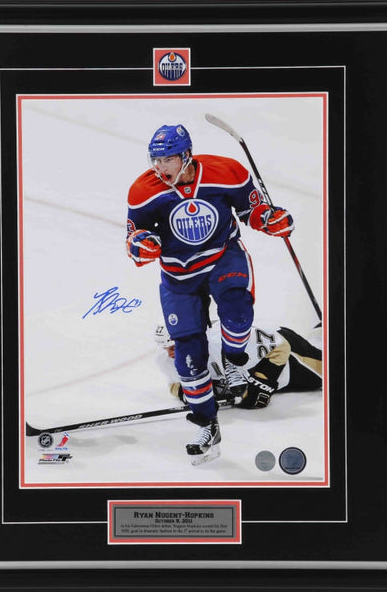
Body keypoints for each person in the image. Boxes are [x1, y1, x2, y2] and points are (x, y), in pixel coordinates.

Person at [125, 123, 294, 465]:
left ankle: (234, 362)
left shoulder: (226, 172)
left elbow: (252, 210)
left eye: (167, 159)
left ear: (186, 156)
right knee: (188, 358)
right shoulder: (143, 190)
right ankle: (207, 424)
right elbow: (134, 235)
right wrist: (140, 245)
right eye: (155, 159)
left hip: (222, 257)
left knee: (237, 311)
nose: (160, 167)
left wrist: (270, 218)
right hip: (178, 274)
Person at [154, 321, 322, 408]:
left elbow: (281, 345)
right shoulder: (165, 358)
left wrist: (263, 383)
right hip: (270, 366)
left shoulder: (220, 340)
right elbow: (174, 383)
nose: (170, 353)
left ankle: (324, 328)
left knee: (334, 373)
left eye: (174, 346)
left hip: (289, 355)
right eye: (165, 348)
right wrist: (187, 392)